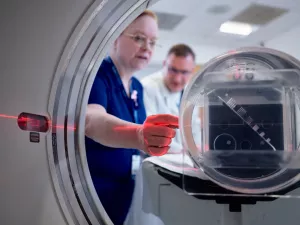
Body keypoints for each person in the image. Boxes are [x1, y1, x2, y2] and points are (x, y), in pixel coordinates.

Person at [84, 10, 178, 225]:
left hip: (122, 191)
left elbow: (141, 133)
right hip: (94, 189)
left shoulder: (136, 86)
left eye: (153, 42)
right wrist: (138, 135)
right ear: (115, 37)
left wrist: (179, 150)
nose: (147, 47)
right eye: (138, 38)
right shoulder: (97, 75)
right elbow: (92, 121)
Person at [141, 43, 200, 153]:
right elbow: (151, 132)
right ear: (164, 65)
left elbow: (194, 128)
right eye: (173, 70)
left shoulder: (190, 93)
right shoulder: (147, 87)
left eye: (184, 72)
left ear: (192, 71)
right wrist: (183, 152)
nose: (177, 79)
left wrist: (197, 151)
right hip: (154, 158)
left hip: (182, 159)